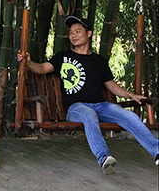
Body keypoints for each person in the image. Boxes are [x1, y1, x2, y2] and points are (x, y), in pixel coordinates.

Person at [18, 15, 159, 174]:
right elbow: (42, 68)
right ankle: (103, 157)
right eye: (71, 33)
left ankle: (157, 150)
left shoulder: (99, 61)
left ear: (89, 34)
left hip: (101, 106)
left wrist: (131, 95)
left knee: (129, 116)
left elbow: (111, 85)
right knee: (89, 115)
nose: (73, 35)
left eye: (78, 31)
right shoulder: (63, 57)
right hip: (76, 108)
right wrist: (29, 62)